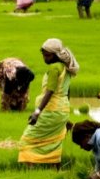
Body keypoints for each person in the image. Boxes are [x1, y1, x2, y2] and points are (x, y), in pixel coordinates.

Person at [18, 38, 79, 166]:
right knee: (53, 141)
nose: (44, 58)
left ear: (56, 55)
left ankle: (30, 170)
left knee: (27, 140)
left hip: (51, 110)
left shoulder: (54, 69)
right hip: (62, 110)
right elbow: (67, 92)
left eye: (47, 55)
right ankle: (54, 170)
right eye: (43, 55)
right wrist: (65, 116)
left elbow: (50, 92)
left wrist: (37, 112)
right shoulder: (66, 68)